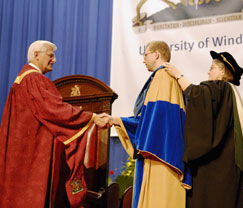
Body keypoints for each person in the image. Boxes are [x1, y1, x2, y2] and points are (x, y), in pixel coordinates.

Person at [0, 40, 110, 208]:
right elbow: (55, 110)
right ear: (36, 55)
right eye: (50, 55)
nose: (55, 60)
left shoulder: (21, 80)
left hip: (20, 155)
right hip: (35, 156)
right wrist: (92, 118)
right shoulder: (34, 79)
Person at [105, 41, 191, 208]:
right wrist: (119, 121)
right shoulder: (169, 78)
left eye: (145, 55)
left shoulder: (162, 77)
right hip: (165, 154)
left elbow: (155, 125)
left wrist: (118, 121)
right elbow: (150, 120)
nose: (143, 60)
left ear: (156, 55)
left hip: (161, 156)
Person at [163, 51, 243, 208]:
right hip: (229, 165)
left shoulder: (220, 88)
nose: (208, 71)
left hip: (218, 167)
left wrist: (178, 75)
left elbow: (196, 94)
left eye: (212, 68)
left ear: (223, 72)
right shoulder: (231, 92)